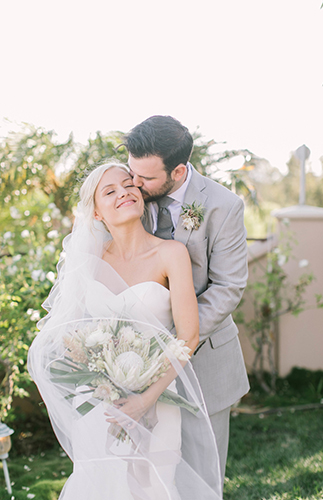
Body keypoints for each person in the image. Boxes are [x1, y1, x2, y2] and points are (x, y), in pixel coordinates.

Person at [28, 161, 223, 500]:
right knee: (102, 484)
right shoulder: (88, 262)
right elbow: (70, 333)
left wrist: (144, 400)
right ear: (97, 213)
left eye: (128, 185)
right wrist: (98, 378)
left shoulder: (171, 254)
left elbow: (188, 337)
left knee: (154, 486)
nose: (124, 193)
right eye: (110, 191)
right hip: (102, 402)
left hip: (158, 397)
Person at [124, 115, 250, 485]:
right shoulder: (133, 191)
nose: (134, 184)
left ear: (178, 172)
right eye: (132, 172)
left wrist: (179, 336)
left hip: (204, 360)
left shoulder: (224, 207)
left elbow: (228, 288)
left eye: (145, 178)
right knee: (146, 475)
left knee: (200, 475)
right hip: (136, 357)